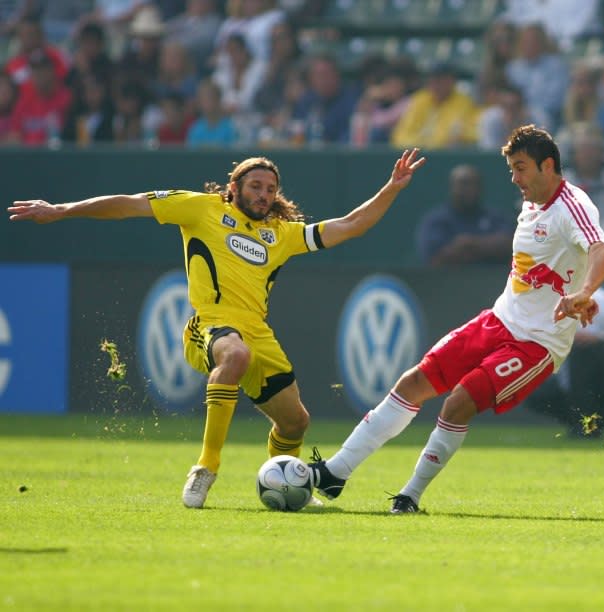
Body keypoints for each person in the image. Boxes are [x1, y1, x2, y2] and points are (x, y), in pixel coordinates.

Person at [7, 148, 426, 509]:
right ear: (235, 186)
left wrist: (393, 187)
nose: (263, 194)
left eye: (269, 189)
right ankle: (206, 466)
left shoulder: (281, 234)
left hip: (258, 332)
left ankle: (286, 481)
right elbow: (128, 203)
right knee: (236, 355)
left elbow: (350, 225)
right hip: (210, 325)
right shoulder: (201, 208)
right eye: (255, 185)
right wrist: (62, 210)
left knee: (295, 423)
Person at [308, 124, 604, 513]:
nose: (514, 178)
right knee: (415, 381)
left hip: (538, 342)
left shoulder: (573, 205)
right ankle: (336, 472)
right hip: (499, 319)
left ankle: (410, 495)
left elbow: (602, 250)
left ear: (548, 165)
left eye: (521, 168)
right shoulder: (531, 203)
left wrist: (584, 293)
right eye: (511, 169)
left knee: (459, 401)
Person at [528, 285, 604, 436]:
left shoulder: (601, 298)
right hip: (567, 379)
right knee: (530, 387)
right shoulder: (544, 303)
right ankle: (584, 421)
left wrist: (598, 338)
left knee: (582, 349)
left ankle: (588, 424)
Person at [415, 163, 514, 266]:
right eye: (463, 184)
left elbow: (511, 245)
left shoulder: (496, 217)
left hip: (493, 279)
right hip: (450, 280)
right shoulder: (436, 220)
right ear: (452, 187)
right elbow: (434, 260)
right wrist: (485, 249)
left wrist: (469, 244)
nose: (470, 189)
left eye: (475, 184)